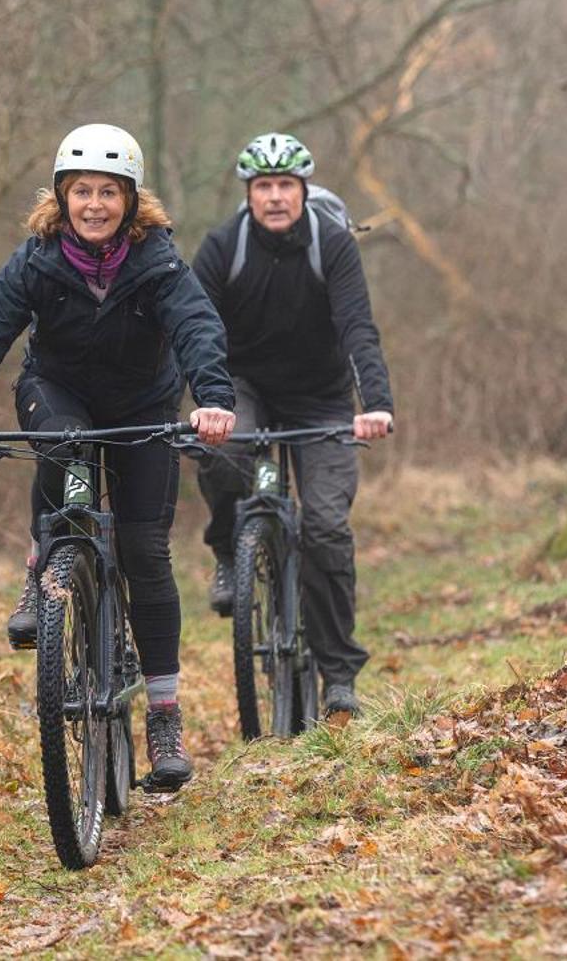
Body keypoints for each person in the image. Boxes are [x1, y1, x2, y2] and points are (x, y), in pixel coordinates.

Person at [0, 123, 235, 791]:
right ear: (61, 196)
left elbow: (197, 325)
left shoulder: (159, 262)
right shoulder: (37, 259)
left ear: (130, 199)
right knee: (62, 441)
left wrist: (213, 398)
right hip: (58, 392)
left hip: (144, 402)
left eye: (107, 192)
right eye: (81, 190)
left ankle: (164, 715)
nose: (93, 204)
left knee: (145, 550)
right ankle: (45, 562)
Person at [192, 132, 394, 720]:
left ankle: (337, 677)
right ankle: (230, 548)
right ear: (248, 194)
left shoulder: (331, 244)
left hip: (321, 396)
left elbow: (358, 326)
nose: (275, 197)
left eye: (285, 186)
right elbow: (193, 327)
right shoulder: (223, 247)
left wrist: (374, 403)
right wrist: (199, 401)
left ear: (303, 190)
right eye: (264, 187)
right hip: (244, 386)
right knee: (223, 451)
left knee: (327, 527)